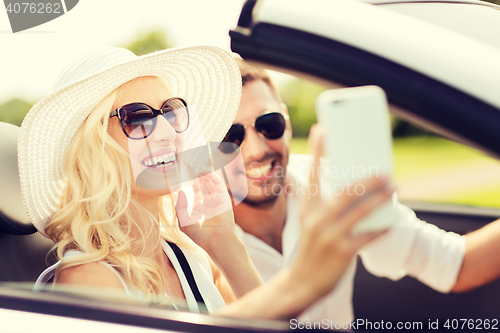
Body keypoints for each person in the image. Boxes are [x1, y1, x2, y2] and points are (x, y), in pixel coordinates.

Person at [21, 46, 393, 319]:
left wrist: (225, 242)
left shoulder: (189, 256)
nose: (166, 130)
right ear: (92, 149)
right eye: (137, 118)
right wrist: (302, 282)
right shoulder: (88, 281)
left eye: (171, 111)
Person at [225, 58, 500, 323]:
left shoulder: (335, 185)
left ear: (286, 120)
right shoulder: (196, 240)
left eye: (269, 123)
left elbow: (456, 265)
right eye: (231, 136)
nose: (257, 149)